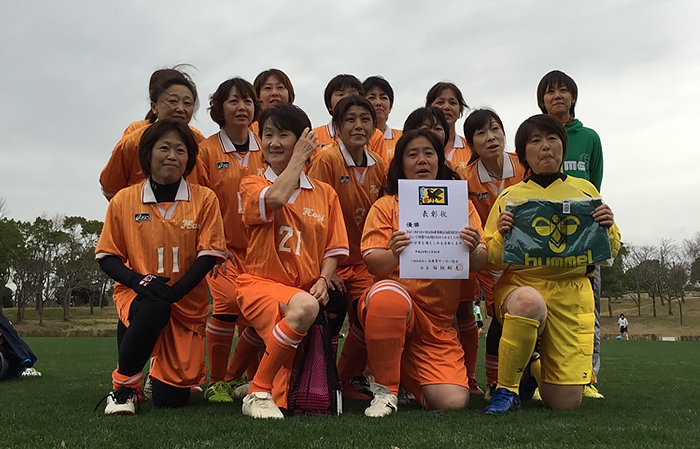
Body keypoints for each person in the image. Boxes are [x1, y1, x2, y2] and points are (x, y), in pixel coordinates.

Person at [482, 114, 620, 413]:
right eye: (535, 141)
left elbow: (609, 251)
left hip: (571, 292)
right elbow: (491, 257)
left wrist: (607, 227)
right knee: (528, 303)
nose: (545, 146)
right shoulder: (510, 197)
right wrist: (503, 235)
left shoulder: (586, 191)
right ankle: (506, 390)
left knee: (565, 403)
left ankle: (533, 367)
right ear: (524, 154)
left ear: (563, 146)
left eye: (552, 139)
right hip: (522, 286)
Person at [95, 119, 226, 414]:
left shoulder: (205, 199)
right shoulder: (124, 200)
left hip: (186, 303)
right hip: (138, 293)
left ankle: (158, 372)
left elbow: (208, 254)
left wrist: (175, 292)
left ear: (189, 158)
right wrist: (137, 281)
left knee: (171, 400)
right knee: (153, 306)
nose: (172, 156)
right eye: (164, 148)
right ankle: (124, 388)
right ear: (147, 153)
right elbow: (107, 256)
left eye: (180, 150)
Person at [358, 129, 487, 417]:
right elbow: (374, 264)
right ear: (400, 163)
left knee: (453, 401)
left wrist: (472, 248)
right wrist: (394, 253)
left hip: (438, 323)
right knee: (388, 299)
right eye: (412, 154)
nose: (422, 160)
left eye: (429, 153)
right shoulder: (386, 205)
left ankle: (401, 371)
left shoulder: (460, 205)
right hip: (395, 307)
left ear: (440, 161)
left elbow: (480, 260)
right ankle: (386, 390)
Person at [236, 104, 349, 419]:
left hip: (300, 291)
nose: (273, 143)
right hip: (259, 285)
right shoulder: (253, 183)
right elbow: (275, 199)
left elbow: (333, 248)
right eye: (267, 135)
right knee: (305, 307)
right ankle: (258, 391)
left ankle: (254, 385)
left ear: (301, 139)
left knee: (293, 392)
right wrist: (299, 158)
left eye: (283, 135)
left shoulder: (325, 194)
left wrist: (324, 279)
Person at [307, 95, 386, 398]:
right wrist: (327, 267)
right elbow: (312, 213)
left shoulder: (378, 164)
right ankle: (321, 379)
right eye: (350, 119)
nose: (358, 125)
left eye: (365, 119)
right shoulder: (327, 159)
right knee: (332, 309)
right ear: (337, 127)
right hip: (332, 261)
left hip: (364, 262)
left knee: (372, 313)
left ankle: (348, 377)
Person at [197, 77, 266, 403]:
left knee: (256, 310)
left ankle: (251, 377)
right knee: (227, 304)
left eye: (248, 101)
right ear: (219, 109)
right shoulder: (206, 151)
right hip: (222, 249)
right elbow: (199, 201)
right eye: (233, 101)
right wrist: (212, 244)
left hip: (261, 250)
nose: (242, 107)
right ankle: (218, 380)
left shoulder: (266, 147)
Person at [537, 70, 605, 399]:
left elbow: (594, 187)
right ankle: (542, 376)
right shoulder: (535, 135)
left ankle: (588, 377)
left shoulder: (589, 137)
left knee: (588, 311)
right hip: (544, 241)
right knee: (543, 310)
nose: (557, 96)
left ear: (573, 97)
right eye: (550, 92)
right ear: (542, 100)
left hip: (582, 239)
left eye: (563, 90)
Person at [461, 109, 527, 396]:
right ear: (471, 144)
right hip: (490, 259)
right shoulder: (464, 178)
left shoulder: (523, 166)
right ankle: (493, 381)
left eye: (495, 129)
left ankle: (533, 378)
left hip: (526, 259)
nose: (491, 137)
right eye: (481, 133)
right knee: (500, 317)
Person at [100, 67, 208, 201]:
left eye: (187, 103)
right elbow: (110, 188)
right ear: (154, 106)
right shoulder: (134, 140)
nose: (180, 109)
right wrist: (134, 207)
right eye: (173, 101)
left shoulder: (199, 142)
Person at [312, 74, 384, 158]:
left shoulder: (375, 135)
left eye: (352, 94)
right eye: (340, 94)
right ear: (329, 105)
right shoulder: (314, 136)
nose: (346, 98)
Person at [425, 82, 471, 171]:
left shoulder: (471, 148)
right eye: (440, 102)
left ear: (460, 110)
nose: (446, 107)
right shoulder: (418, 147)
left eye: (452, 103)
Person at [363, 76, 402, 165]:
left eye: (383, 98)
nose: (378, 103)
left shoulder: (402, 137)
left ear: (390, 106)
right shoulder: (355, 138)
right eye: (371, 98)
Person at [250, 68, 296, 136]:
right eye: (268, 88)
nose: (274, 93)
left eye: (280, 87)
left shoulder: (301, 127)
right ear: (257, 96)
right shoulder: (249, 130)